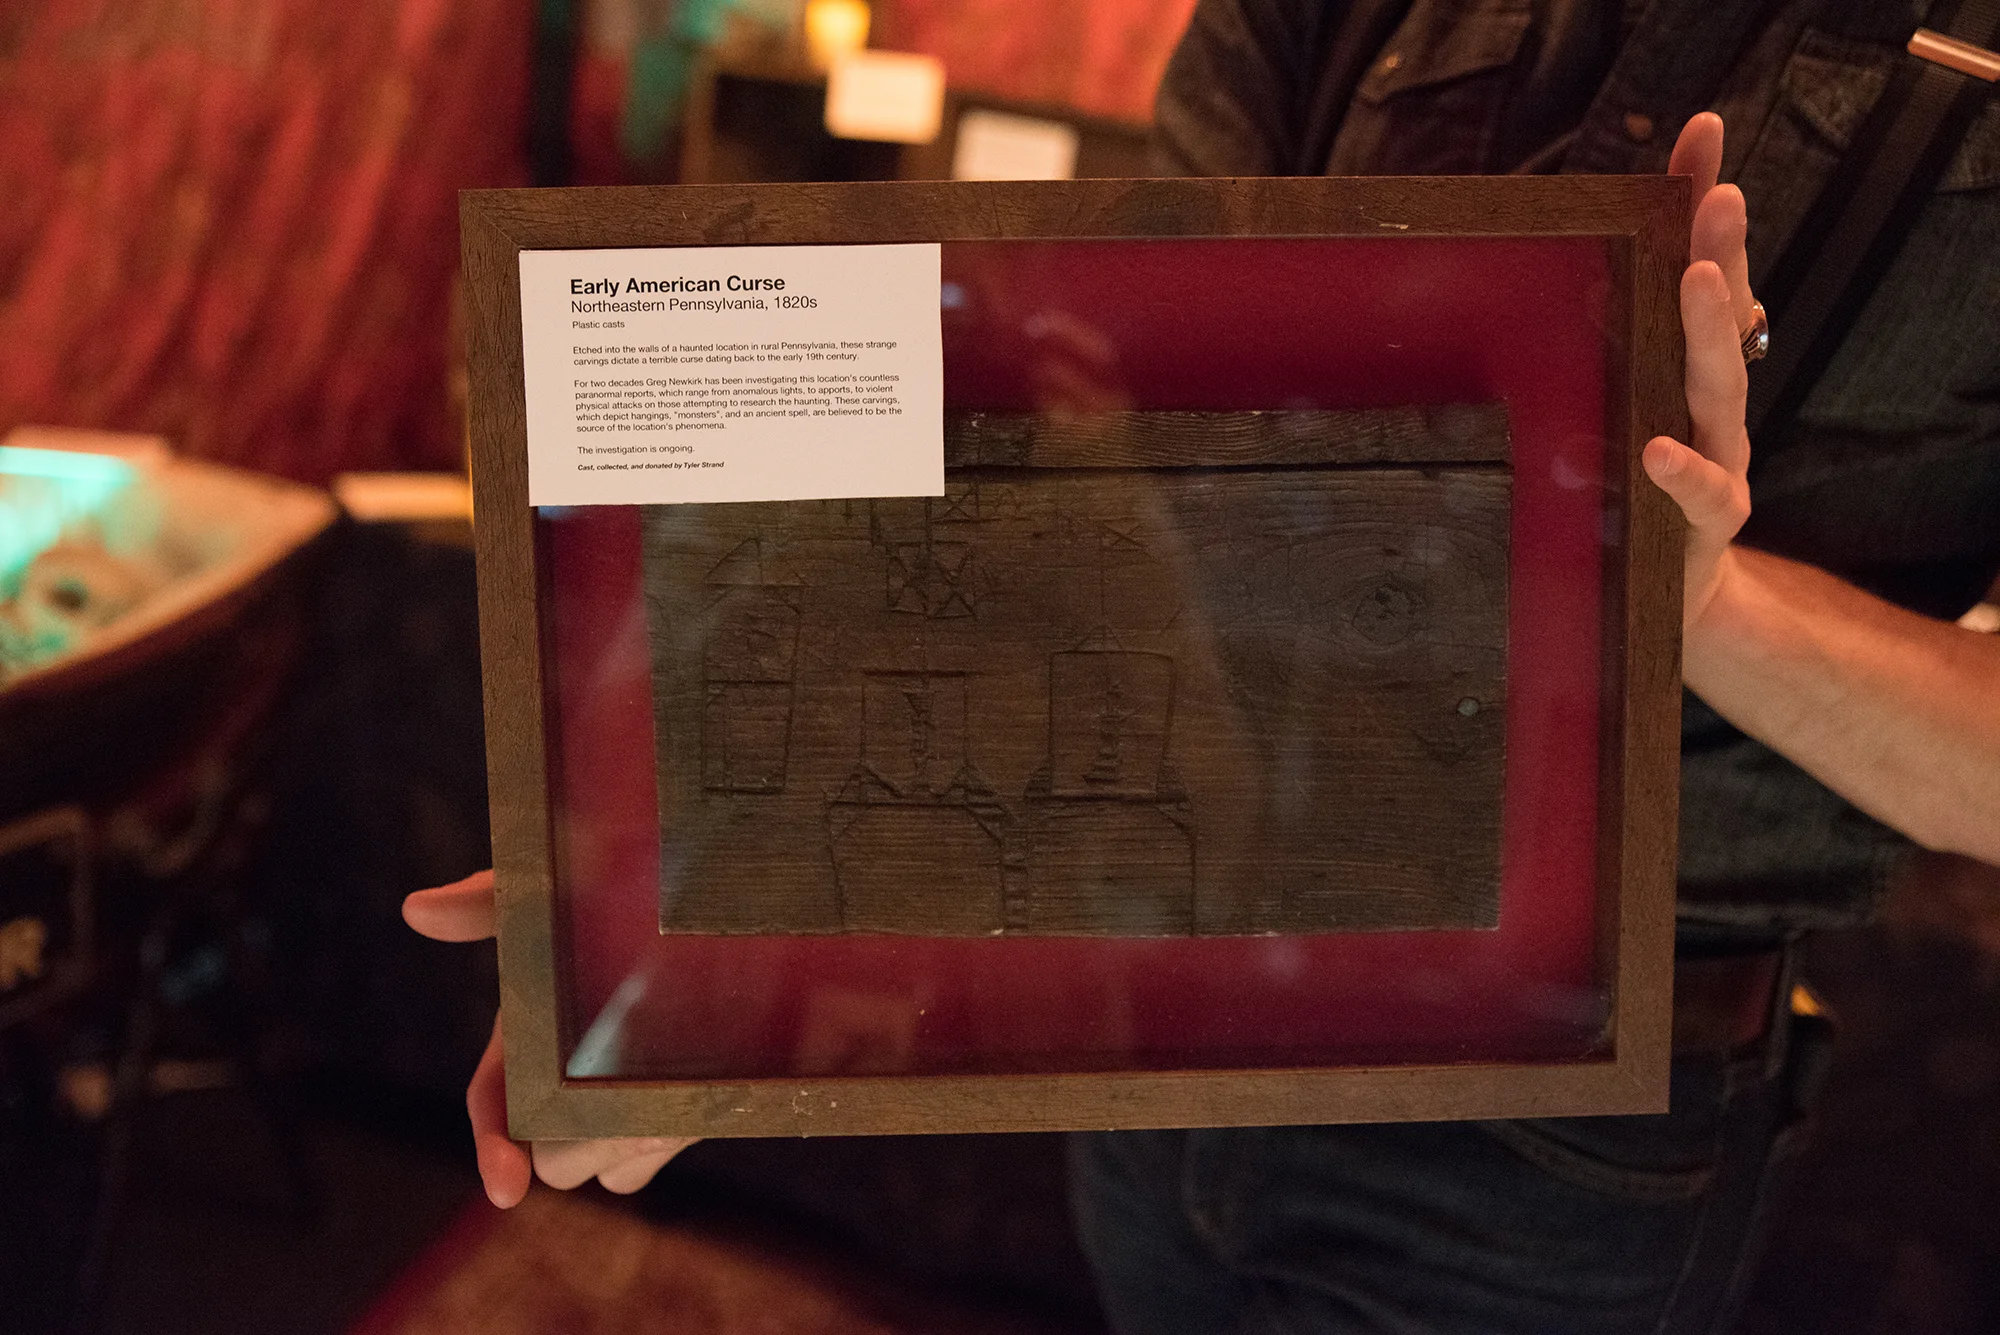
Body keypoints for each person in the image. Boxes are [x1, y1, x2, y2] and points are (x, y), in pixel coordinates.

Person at [406, 1, 2000, 1328]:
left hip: (1565, 1122)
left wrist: (1697, 605)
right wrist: (679, 897)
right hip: (1157, 1001)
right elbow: (1086, 427)